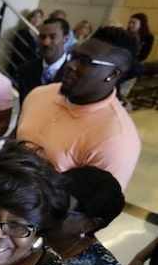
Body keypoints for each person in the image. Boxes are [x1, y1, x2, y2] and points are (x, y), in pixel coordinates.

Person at [16, 26, 141, 190]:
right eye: (73, 56)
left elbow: (91, 210)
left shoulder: (117, 139)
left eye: (85, 62)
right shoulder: (39, 95)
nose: (71, 65)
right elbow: (16, 142)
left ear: (114, 73)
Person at [14, 17, 70, 103]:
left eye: (52, 37)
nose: (46, 42)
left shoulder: (74, 74)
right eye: (42, 37)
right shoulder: (25, 70)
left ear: (65, 38)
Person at [8, 8, 44, 77]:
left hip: (34, 67)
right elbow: (20, 50)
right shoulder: (22, 32)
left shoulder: (41, 35)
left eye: (39, 17)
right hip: (21, 64)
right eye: (34, 16)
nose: (37, 19)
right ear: (29, 19)